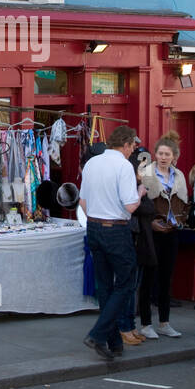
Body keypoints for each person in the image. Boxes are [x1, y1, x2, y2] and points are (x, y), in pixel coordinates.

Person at [79, 125, 143, 360]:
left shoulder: (93, 163)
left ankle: (114, 342)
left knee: (104, 285)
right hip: (115, 228)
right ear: (125, 145)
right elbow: (130, 205)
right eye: (132, 146)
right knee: (126, 283)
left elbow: (83, 201)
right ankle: (97, 334)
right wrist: (141, 192)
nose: (133, 150)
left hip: (94, 226)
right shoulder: (124, 166)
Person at [137, 133, 187, 339]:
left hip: (171, 231)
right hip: (151, 232)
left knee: (167, 278)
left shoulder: (179, 175)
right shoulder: (145, 173)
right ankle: (146, 323)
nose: (163, 157)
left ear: (174, 156)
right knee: (148, 277)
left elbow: (183, 202)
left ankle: (164, 322)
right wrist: (150, 223)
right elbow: (137, 204)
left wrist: (180, 220)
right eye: (160, 153)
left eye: (167, 154)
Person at [122, 152, 156, 346]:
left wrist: (143, 198)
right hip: (131, 239)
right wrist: (140, 196)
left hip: (140, 241)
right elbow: (139, 208)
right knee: (129, 286)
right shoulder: (133, 187)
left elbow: (150, 208)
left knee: (134, 285)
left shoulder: (139, 186)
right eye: (142, 168)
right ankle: (125, 326)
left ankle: (130, 325)